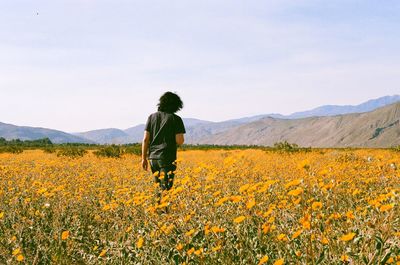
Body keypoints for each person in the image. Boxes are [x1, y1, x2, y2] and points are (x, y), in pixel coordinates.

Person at [141, 92, 186, 194]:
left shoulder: (151, 117)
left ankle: (158, 208)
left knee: (158, 187)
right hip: (167, 157)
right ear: (176, 105)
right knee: (166, 188)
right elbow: (180, 140)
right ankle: (163, 210)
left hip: (153, 158)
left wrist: (143, 158)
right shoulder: (176, 119)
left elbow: (145, 139)